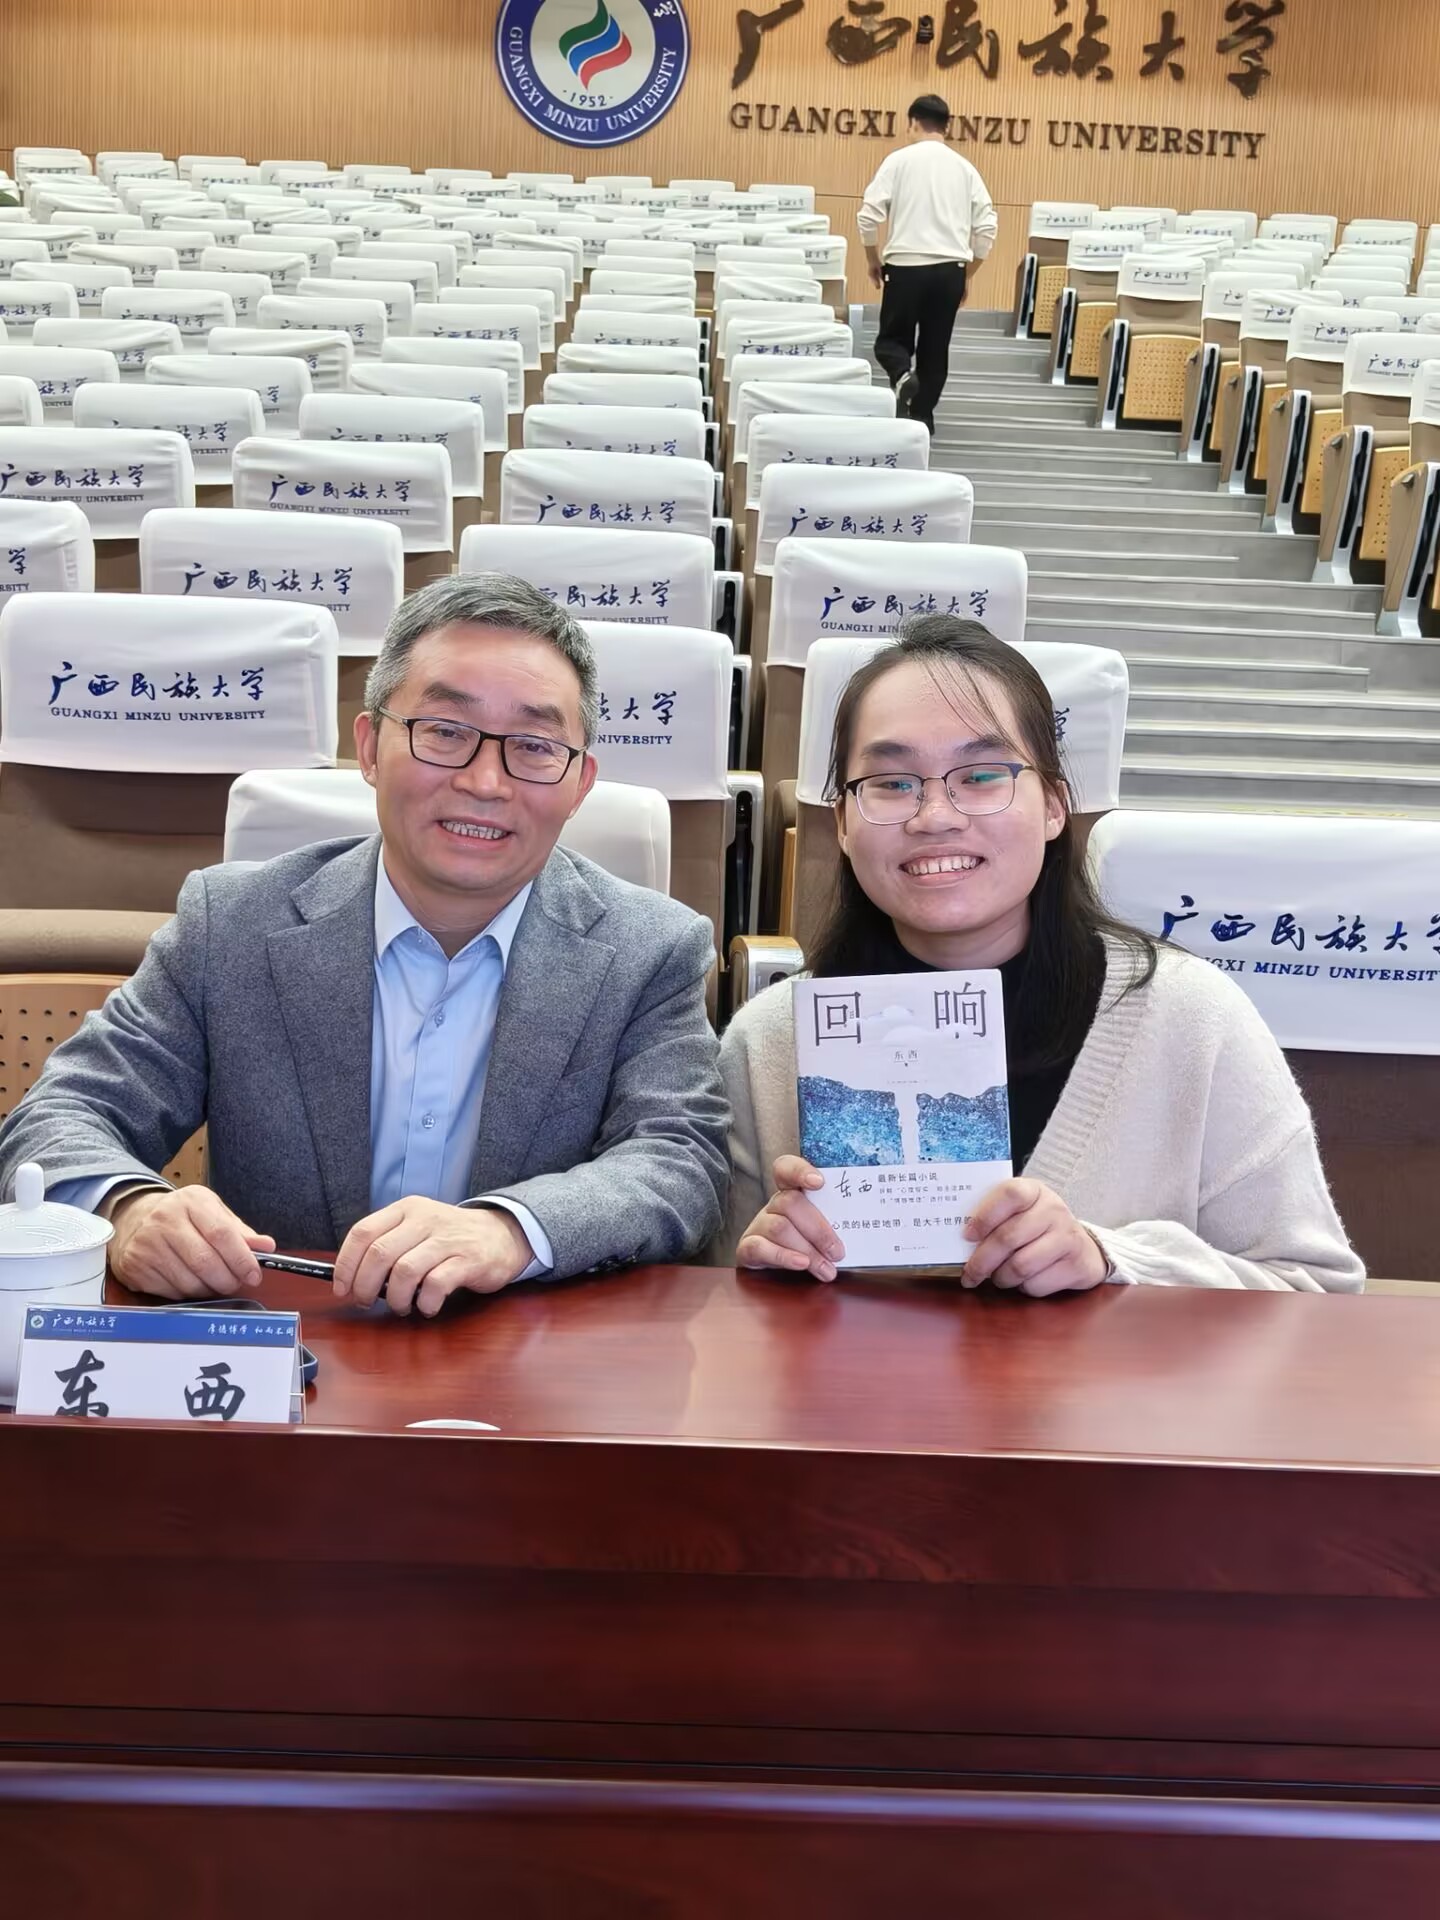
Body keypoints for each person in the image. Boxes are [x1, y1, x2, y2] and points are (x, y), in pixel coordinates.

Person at [0, 575, 730, 1316]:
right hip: (281, 1346)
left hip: (526, 1355)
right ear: (371, 748)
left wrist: (512, 1229)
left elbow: (679, 1161)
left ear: (579, 785)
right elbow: (61, 1115)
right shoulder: (232, 926)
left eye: (535, 747)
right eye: (445, 731)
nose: (485, 782)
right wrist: (129, 1209)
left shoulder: (651, 950)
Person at [719, 617, 1364, 1295]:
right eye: (891, 782)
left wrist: (1113, 1261)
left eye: (981, 775)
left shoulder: (1190, 1018)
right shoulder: (769, 1044)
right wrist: (764, 1274)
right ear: (844, 824)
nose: (934, 815)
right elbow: (708, 1309)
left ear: (1055, 806)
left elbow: (1317, 1289)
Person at [857, 93, 998, 436]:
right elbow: (987, 229)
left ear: (912, 122)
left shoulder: (898, 161)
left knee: (891, 342)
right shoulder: (965, 169)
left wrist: (873, 260)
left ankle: (902, 376)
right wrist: (967, 274)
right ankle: (921, 420)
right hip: (950, 270)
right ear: (946, 127)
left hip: (905, 267)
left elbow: (868, 217)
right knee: (935, 349)